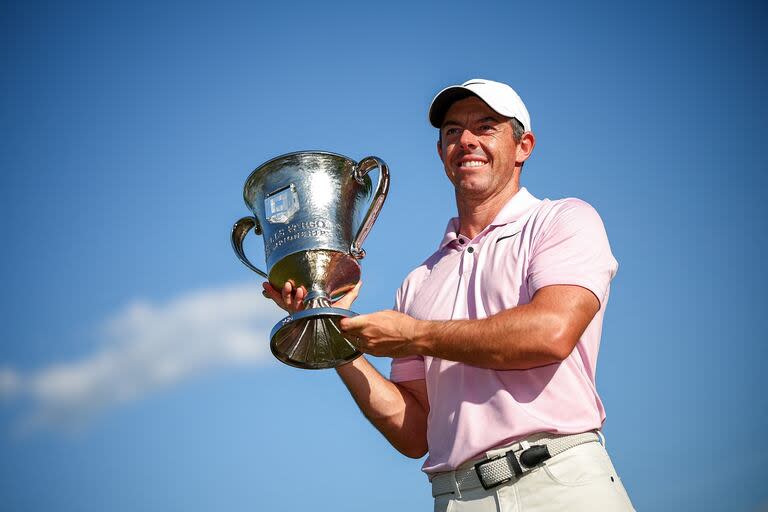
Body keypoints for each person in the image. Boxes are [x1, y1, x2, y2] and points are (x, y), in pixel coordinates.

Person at [263, 78, 635, 511]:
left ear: (523, 146)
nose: (466, 140)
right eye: (453, 131)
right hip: (457, 498)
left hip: (560, 483)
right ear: (441, 153)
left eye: (486, 126)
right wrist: (331, 329)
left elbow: (551, 333)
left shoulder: (563, 221)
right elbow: (414, 433)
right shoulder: (418, 282)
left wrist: (415, 335)